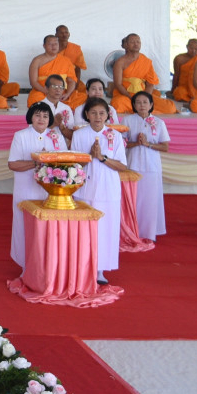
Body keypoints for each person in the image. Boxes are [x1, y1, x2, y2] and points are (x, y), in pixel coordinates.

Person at [70, 97, 127, 282]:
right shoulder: (79, 134)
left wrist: (101, 157)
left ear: (108, 115)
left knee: (105, 230)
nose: (97, 116)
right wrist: (89, 156)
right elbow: (73, 163)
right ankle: (82, 268)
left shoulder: (115, 135)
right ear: (86, 115)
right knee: (84, 231)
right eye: (93, 113)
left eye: (102, 113)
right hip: (84, 189)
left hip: (108, 191)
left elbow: (122, 166)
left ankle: (100, 270)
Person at [6, 100, 64, 265]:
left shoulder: (56, 137)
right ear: (30, 117)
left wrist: (50, 162)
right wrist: (37, 163)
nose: (41, 119)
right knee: (24, 227)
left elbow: (63, 164)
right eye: (37, 115)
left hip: (48, 191)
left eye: (45, 116)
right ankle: (24, 265)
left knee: (47, 229)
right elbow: (13, 164)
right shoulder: (21, 135)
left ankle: (47, 264)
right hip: (25, 190)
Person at [124, 90, 171, 243]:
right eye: (138, 102)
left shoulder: (158, 122)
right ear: (134, 105)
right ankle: (132, 231)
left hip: (152, 167)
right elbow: (122, 144)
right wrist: (136, 143)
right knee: (134, 200)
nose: (142, 105)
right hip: (133, 165)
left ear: (151, 104)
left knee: (150, 200)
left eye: (145, 102)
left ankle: (150, 233)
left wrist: (148, 144)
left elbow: (165, 147)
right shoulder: (127, 120)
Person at [110, 34, 171, 113]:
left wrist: (144, 98)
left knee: (170, 107)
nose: (136, 44)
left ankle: (141, 107)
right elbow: (118, 84)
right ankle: (140, 108)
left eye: (138, 42)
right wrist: (132, 98)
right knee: (117, 104)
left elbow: (150, 83)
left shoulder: (146, 61)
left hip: (143, 93)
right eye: (132, 42)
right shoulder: (120, 62)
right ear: (126, 45)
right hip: (126, 95)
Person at [168, 37, 197, 110]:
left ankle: (195, 101)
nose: (193, 51)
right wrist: (173, 90)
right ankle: (192, 101)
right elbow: (176, 75)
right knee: (179, 93)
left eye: (196, 49)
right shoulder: (179, 58)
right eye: (191, 48)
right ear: (187, 47)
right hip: (184, 87)